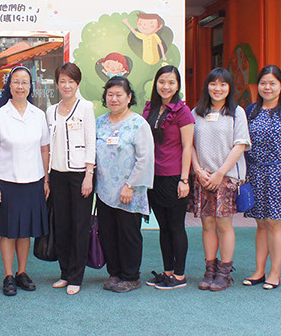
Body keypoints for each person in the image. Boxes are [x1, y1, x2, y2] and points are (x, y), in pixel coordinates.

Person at [0, 66, 49, 297]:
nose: (20, 86)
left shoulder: (38, 115)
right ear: (9, 85)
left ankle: (22, 272)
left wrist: (46, 180)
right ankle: (8, 275)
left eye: (25, 82)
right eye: (16, 82)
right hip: (7, 181)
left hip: (33, 181)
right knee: (8, 231)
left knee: (25, 231)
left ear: (31, 86)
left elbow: (44, 149)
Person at [189, 68, 251, 292]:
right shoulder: (197, 112)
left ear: (229, 88)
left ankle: (224, 272)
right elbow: (189, 145)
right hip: (203, 177)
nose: (218, 88)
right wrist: (198, 170)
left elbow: (240, 145)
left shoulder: (237, 112)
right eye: (213, 84)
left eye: (223, 84)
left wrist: (220, 173)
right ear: (207, 86)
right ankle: (210, 270)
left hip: (227, 176)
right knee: (207, 224)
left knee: (224, 224)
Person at [242, 66, 281, 290]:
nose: (267, 87)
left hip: (279, 172)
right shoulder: (251, 110)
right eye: (263, 83)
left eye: (272, 83)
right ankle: (259, 271)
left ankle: (274, 273)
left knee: (274, 223)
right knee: (260, 224)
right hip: (255, 172)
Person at [96, 76, 154, 293]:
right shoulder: (100, 122)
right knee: (107, 233)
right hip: (104, 190)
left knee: (128, 234)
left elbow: (145, 159)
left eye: (119, 94)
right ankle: (115, 273)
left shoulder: (138, 124)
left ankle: (131, 276)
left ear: (129, 97)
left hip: (129, 191)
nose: (114, 99)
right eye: (110, 94)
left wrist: (130, 186)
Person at [142, 66, 194, 290]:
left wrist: (184, 179)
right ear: (156, 83)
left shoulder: (183, 112)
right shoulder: (150, 108)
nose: (166, 86)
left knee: (176, 226)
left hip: (174, 177)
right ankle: (168, 271)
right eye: (162, 81)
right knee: (163, 227)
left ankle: (180, 275)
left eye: (171, 82)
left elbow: (188, 146)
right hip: (153, 177)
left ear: (178, 85)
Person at [46, 63, 96, 295]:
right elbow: (48, 146)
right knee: (62, 225)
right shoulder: (51, 111)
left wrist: (89, 175)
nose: (66, 86)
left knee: (79, 226)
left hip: (79, 175)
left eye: (71, 81)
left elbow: (91, 141)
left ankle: (76, 276)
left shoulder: (85, 107)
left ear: (78, 83)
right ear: (57, 84)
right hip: (57, 175)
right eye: (62, 81)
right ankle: (65, 273)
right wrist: (47, 178)